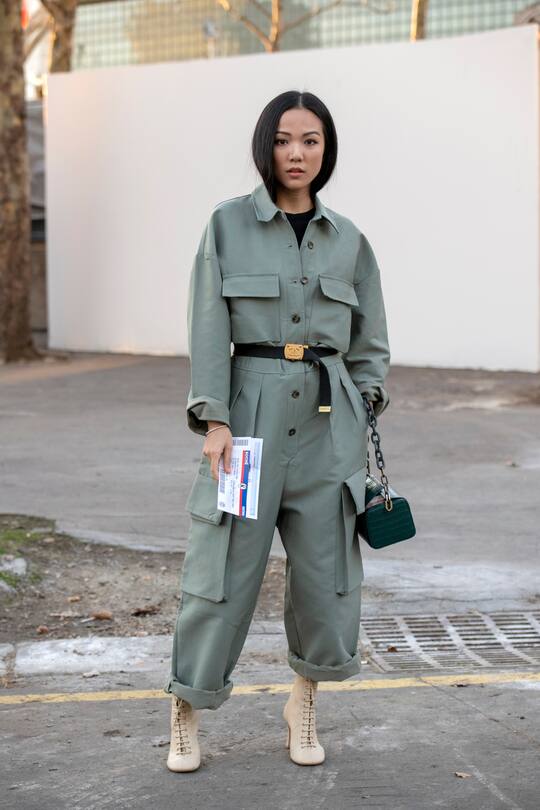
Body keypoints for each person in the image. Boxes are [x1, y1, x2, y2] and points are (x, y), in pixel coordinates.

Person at [163, 89, 391, 772]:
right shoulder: (228, 226)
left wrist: (363, 403)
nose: (297, 153)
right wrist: (215, 419)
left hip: (328, 432)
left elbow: (370, 340)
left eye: (311, 140)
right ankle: (186, 706)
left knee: (326, 579)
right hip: (250, 427)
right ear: (266, 145)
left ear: (327, 150)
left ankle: (304, 700)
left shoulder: (348, 239)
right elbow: (209, 325)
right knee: (223, 572)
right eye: (286, 139)